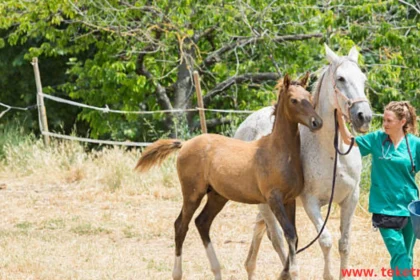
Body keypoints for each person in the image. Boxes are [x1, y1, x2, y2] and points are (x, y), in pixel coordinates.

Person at [337, 101, 420, 279]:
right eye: (384, 120)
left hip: (410, 208)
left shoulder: (414, 144)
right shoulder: (377, 139)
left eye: (389, 120)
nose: (385, 124)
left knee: (407, 255)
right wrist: (339, 118)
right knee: (398, 253)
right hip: (384, 208)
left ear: (402, 121)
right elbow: (348, 141)